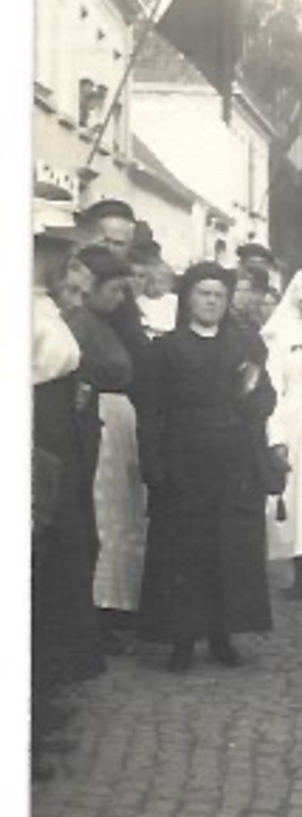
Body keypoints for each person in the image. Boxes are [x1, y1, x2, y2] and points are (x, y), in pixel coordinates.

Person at [135, 262, 277, 671]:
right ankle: (182, 640)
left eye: (218, 294)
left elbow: (264, 402)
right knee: (184, 551)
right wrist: (154, 465)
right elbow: (151, 411)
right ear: (188, 298)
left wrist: (251, 392)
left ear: (227, 300)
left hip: (232, 463)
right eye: (203, 293)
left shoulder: (244, 346)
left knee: (227, 550)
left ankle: (222, 635)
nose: (211, 301)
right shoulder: (166, 348)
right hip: (184, 463)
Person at [33, 235, 104, 774]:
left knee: (56, 573)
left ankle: (39, 706)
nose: (64, 265)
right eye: (52, 253)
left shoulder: (44, 306)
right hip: (39, 446)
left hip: (59, 440)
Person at [63, 246, 150, 651]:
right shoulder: (79, 325)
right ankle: (103, 609)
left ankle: (122, 604)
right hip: (99, 418)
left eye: (123, 292)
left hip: (122, 420)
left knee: (126, 514)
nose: (119, 299)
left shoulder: (113, 324)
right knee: (107, 515)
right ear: (92, 288)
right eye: (113, 290)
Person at [262, 269, 302, 602]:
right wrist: (277, 436)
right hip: (297, 421)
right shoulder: (282, 336)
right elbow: (273, 387)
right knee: (299, 499)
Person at [230, 264, 271, 332]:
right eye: (237, 290)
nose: (242, 296)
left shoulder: (254, 324)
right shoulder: (223, 321)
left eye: (246, 290)